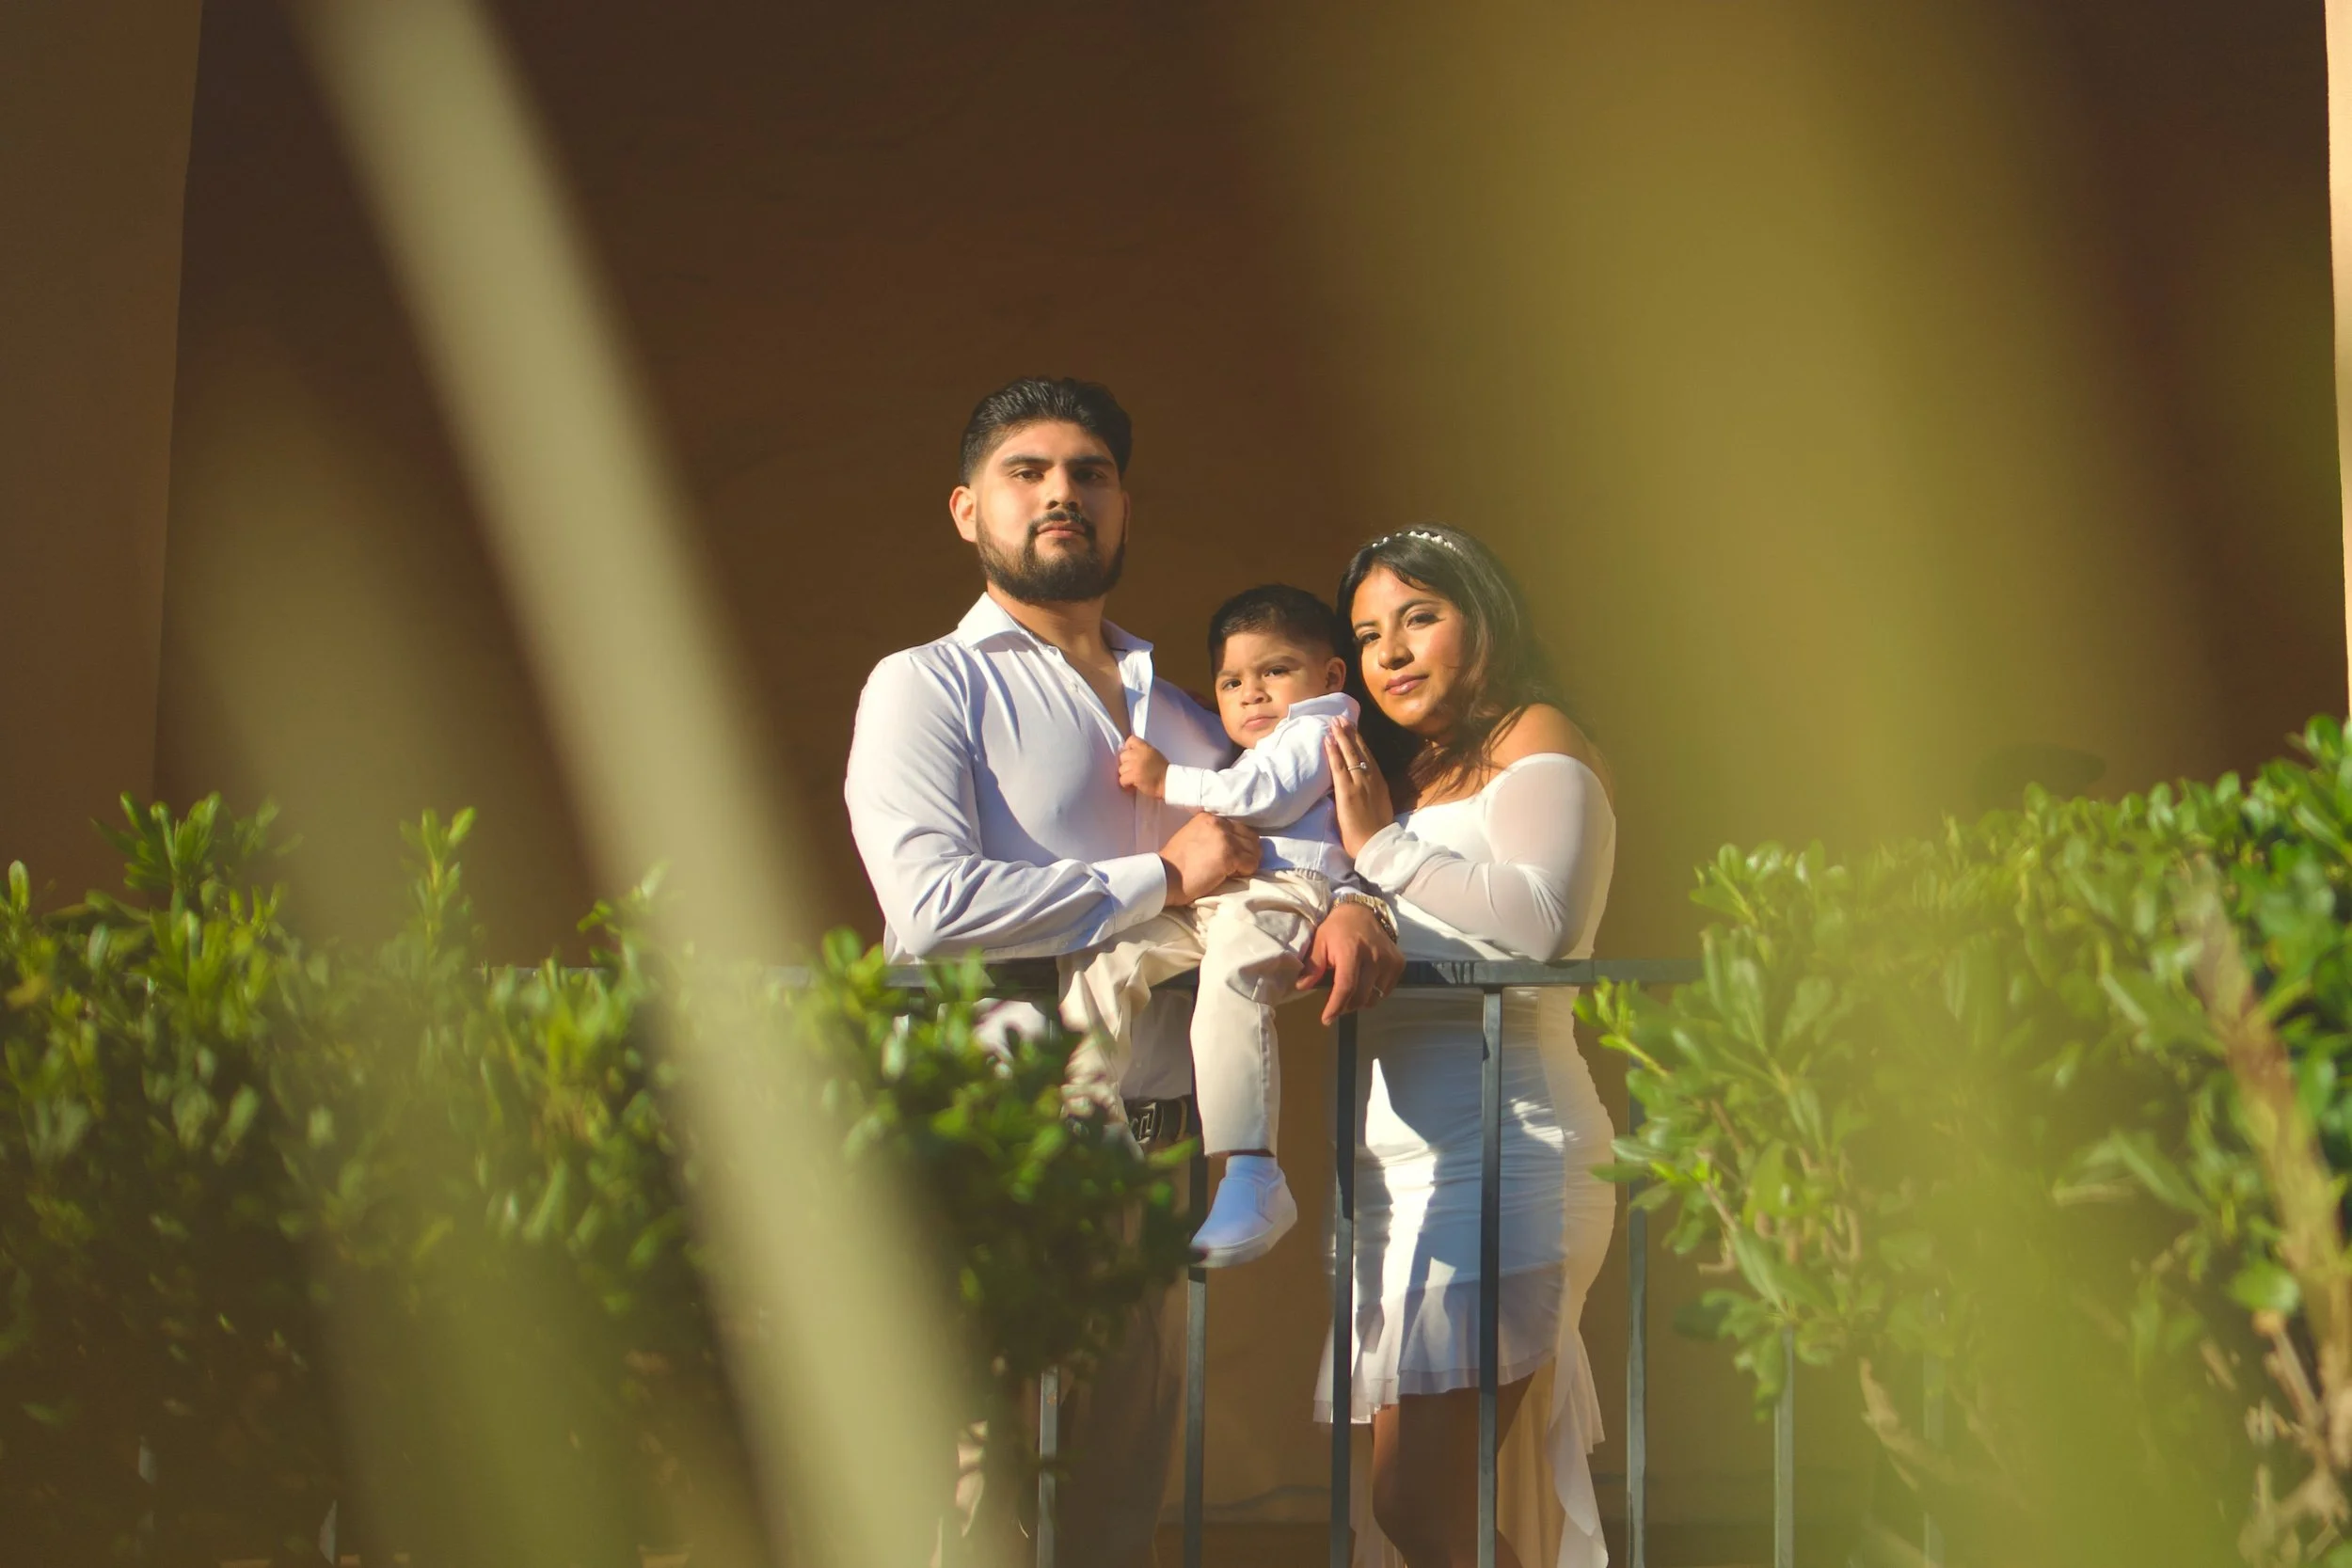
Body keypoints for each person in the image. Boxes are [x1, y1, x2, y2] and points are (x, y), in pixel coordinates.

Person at [843, 375, 1406, 1567]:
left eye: (1088, 473)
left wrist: (1353, 903)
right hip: (991, 1135)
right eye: (1026, 472)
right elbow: (932, 907)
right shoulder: (927, 685)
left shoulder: (1194, 711)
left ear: (1122, 504)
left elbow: (1289, 838)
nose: (1061, 494)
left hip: (1154, 1153)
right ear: (965, 510)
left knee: (1109, 1505)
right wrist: (1160, 879)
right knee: (963, 1502)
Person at [1317, 524, 1619, 1568]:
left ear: (1482, 618)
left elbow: (1541, 922)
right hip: (1407, 1178)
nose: (1390, 652)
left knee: (1416, 1501)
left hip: (1504, 1156)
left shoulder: (1539, 735)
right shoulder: (1429, 777)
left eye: (1418, 617)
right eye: (1367, 634)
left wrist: (1380, 850)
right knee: (1410, 1504)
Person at [1062, 583, 1360, 1268]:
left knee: (1230, 983)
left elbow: (1267, 794)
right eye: (1232, 681)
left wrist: (1170, 777)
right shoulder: (1264, 739)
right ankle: (1092, 1116)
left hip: (1286, 891)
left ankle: (1252, 1172)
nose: (1252, 694)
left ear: (1329, 676)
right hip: (1222, 895)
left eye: (1274, 671)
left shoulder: (1322, 726)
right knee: (1113, 953)